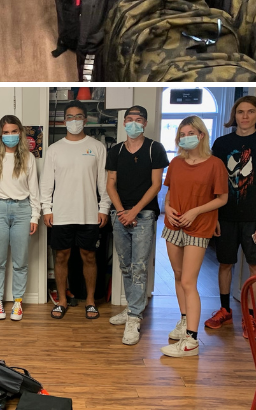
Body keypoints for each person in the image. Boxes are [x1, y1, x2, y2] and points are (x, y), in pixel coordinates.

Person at [204, 96, 256, 340]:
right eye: (240, 112)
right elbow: (214, 183)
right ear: (234, 115)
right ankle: (225, 309)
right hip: (226, 216)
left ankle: (249, 314)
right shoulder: (221, 143)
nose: (245, 116)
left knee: (255, 266)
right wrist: (214, 216)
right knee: (225, 263)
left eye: (251, 112)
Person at [160, 117, 229, 358]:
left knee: (189, 281)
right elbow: (170, 193)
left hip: (199, 227)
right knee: (178, 276)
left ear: (201, 135)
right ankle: (184, 320)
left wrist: (195, 211)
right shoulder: (176, 162)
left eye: (191, 132)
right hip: (172, 225)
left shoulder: (215, 164)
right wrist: (167, 208)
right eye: (182, 133)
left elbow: (222, 198)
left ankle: (192, 340)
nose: (185, 136)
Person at [105, 106, 169, 346]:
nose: (134, 123)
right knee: (125, 265)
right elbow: (111, 184)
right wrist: (122, 211)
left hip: (144, 215)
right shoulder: (116, 151)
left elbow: (155, 185)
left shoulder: (155, 149)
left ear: (145, 123)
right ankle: (133, 308)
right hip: (119, 214)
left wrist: (134, 211)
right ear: (124, 123)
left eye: (138, 120)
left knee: (140, 266)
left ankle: (134, 317)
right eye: (130, 119)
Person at [40, 101, 110, 320]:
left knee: (89, 257)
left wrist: (104, 208)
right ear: (64, 121)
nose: (74, 121)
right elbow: (46, 184)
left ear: (85, 120)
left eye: (78, 116)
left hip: (89, 213)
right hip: (60, 214)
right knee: (61, 257)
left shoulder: (97, 147)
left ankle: (90, 301)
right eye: (69, 117)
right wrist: (46, 209)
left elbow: (104, 182)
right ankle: (61, 301)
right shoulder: (54, 149)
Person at [0, 115, 39, 323]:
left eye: (14, 131)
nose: (10, 136)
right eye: (5, 132)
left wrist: (35, 215)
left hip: (23, 209)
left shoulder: (28, 158)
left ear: (20, 133)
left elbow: (34, 189)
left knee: (20, 260)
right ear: (0, 134)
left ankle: (18, 301)